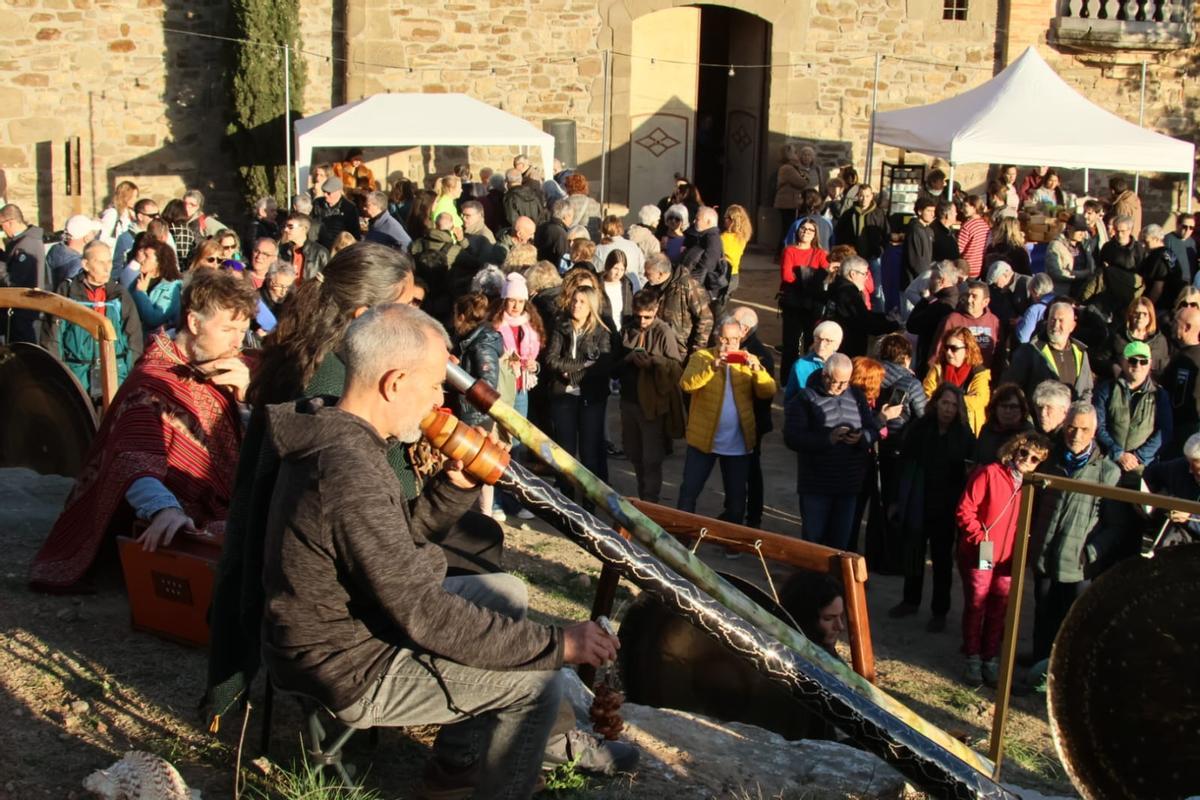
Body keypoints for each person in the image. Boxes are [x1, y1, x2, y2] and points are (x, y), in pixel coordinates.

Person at [258, 302, 630, 799]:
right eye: (434, 384)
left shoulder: (340, 431)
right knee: (535, 687)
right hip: (344, 661)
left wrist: (453, 488)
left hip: (356, 622)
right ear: (394, 382)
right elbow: (423, 612)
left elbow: (390, 544)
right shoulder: (347, 467)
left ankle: (457, 765)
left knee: (504, 591)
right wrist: (560, 645)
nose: (440, 400)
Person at [30, 270, 257, 591]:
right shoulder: (151, 384)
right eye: (228, 329)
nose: (238, 342)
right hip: (178, 515)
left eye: (243, 330)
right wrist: (163, 509)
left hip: (218, 503)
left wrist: (250, 397)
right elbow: (132, 457)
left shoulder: (218, 365)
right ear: (193, 323)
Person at [956, 431, 1052, 686]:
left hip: (1009, 556)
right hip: (985, 551)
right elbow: (966, 509)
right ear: (1014, 449)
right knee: (977, 604)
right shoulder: (989, 473)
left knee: (999, 608)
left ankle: (990, 659)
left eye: (1033, 459)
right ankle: (973, 658)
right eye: (1024, 452)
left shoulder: (1033, 489)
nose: (1026, 459)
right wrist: (980, 539)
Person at [1029, 403, 1123, 664]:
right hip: (1044, 556)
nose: (1076, 434)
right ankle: (1038, 665)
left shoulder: (1108, 473)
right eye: (1071, 427)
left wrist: (1089, 553)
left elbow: (1114, 525)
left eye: (1084, 429)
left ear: (1094, 431)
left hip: (1078, 564)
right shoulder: (1050, 461)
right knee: (1043, 615)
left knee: (1072, 623)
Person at [889, 383, 975, 630]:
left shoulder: (965, 436)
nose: (948, 409)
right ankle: (910, 600)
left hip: (946, 507)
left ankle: (940, 611)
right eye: (945, 403)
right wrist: (896, 500)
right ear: (936, 403)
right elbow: (902, 465)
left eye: (953, 405)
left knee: (941, 561)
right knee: (914, 553)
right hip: (918, 500)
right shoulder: (918, 429)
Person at [677, 317, 776, 525]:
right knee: (688, 492)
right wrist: (712, 367)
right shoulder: (701, 357)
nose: (728, 344)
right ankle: (679, 540)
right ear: (716, 337)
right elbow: (686, 384)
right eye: (723, 338)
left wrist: (757, 370)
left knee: (737, 499)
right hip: (703, 440)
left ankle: (732, 546)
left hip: (738, 442)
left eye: (733, 339)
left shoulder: (750, 360)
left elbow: (768, 392)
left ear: (740, 339)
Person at [785, 353, 877, 550]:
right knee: (813, 544)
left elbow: (872, 428)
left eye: (844, 383)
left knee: (840, 545)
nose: (840, 387)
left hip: (848, 484)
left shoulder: (856, 396)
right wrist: (828, 439)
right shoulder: (805, 398)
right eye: (835, 381)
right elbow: (792, 437)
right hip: (817, 484)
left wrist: (862, 438)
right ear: (825, 375)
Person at [42, 240, 144, 397]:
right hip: (77, 377)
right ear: (85, 264)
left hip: (115, 375)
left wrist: (130, 377)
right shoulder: (67, 292)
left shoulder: (119, 295)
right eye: (100, 262)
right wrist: (59, 378)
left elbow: (133, 339)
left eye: (109, 261)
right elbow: (52, 338)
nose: (106, 267)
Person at [618, 290, 684, 503]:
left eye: (647, 316)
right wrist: (628, 359)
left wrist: (654, 362)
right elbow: (613, 366)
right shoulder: (627, 330)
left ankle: (650, 502)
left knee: (651, 459)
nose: (642, 321)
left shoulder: (664, 332)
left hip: (653, 404)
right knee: (635, 455)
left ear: (656, 311)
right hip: (629, 401)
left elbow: (675, 368)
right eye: (638, 316)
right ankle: (642, 497)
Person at [544, 284, 614, 484]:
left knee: (589, 452)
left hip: (591, 398)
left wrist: (572, 372)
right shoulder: (561, 325)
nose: (576, 305)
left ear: (591, 305)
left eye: (582, 301)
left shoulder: (601, 331)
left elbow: (601, 366)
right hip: (563, 395)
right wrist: (583, 365)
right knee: (564, 452)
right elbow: (551, 359)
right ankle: (565, 498)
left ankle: (589, 502)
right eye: (574, 300)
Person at [1093, 340, 1171, 491]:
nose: (1138, 365)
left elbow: (1165, 431)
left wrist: (1138, 457)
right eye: (1133, 360)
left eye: (1143, 361)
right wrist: (1118, 453)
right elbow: (1097, 426)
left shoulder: (1160, 395)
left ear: (1150, 364)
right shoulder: (1106, 389)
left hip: (1144, 470)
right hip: (1108, 465)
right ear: (1123, 361)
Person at [1003, 302, 1094, 403]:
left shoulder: (1080, 352)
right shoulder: (1030, 351)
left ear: (1072, 326)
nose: (1055, 325)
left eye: (1061, 321)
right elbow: (1012, 387)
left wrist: (1080, 413)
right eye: (1052, 319)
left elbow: (1086, 389)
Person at [822, 255, 900, 357]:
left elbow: (863, 314)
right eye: (864, 274)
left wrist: (884, 317)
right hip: (846, 350)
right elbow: (866, 323)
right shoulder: (849, 294)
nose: (866, 277)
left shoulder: (837, 287)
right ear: (853, 274)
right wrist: (894, 325)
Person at [643, 252, 712, 360]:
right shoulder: (650, 287)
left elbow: (705, 318)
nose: (644, 276)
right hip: (654, 348)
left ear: (660, 274)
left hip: (679, 352)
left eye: (648, 273)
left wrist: (697, 352)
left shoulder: (687, 286)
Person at [922, 326, 991, 435]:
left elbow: (979, 400)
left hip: (969, 430)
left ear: (967, 350)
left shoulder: (979, 373)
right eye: (946, 347)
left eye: (954, 348)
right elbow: (927, 394)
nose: (948, 352)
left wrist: (945, 400)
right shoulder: (938, 369)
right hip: (940, 427)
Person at [1142, 432, 1200, 547]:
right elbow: (1150, 474)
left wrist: (1190, 518)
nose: (1191, 472)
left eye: (1198, 471)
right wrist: (1157, 499)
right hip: (1175, 537)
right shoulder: (1180, 467)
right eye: (1190, 466)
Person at [933, 279, 1004, 370]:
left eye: (974, 296)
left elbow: (999, 354)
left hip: (983, 377)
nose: (969, 300)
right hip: (956, 377)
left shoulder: (994, 322)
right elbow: (937, 352)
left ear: (985, 302)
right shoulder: (952, 320)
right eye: (967, 295)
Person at [0, 204, 46, 343]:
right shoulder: (21, 242)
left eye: (1, 225)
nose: (2, 230)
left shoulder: (27, 245)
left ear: (11, 222)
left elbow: (14, 284)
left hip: (25, 315)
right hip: (21, 314)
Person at [1097, 297, 1170, 381]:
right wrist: (1113, 367)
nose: (1140, 317)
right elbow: (1101, 360)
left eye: (1145, 314)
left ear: (1151, 317)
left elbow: (1164, 369)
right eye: (1136, 313)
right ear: (1130, 315)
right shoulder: (1118, 336)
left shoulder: (1160, 341)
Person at [1160, 305, 1200, 456]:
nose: (1172, 324)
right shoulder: (1179, 354)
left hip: (1189, 432)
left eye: (1176, 321)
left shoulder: (1192, 360)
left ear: (1187, 327)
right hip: (1173, 427)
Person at [129, 239, 183, 336]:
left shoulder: (170, 288)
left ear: (159, 262)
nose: (141, 260)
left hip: (154, 342)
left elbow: (155, 319)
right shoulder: (140, 279)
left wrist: (141, 293)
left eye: (147, 256)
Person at [1096, 215, 1145, 317]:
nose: (1119, 234)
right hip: (1111, 292)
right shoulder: (1108, 247)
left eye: (1122, 231)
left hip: (1129, 291)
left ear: (1129, 230)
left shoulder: (1138, 249)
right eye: (1116, 231)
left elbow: (1142, 271)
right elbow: (1100, 268)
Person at [974, 384, 1034, 465]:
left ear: (1022, 409)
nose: (1007, 411)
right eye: (1003, 406)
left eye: (1013, 406)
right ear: (995, 408)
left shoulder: (1028, 434)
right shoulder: (987, 429)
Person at [680, 206, 726, 303]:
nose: (694, 222)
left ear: (708, 222)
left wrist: (693, 283)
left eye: (698, 219)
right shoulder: (705, 236)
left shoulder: (712, 238)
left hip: (703, 288)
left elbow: (708, 264)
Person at [1045, 214, 1094, 298]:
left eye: (1084, 231)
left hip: (1082, 291)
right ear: (1069, 228)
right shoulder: (1056, 246)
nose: (1082, 234)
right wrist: (1083, 274)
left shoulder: (1085, 246)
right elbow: (1055, 273)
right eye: (1079, 231)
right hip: (1063, 293)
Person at [774, 143, 813, 250]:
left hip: (789, 202)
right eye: (795, 152)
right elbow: (802, 182)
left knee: (787, 228)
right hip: (787, 202)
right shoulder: (788, 168)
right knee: (787, 228)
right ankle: (781, 252)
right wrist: (806, 175)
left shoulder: (792, 167)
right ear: (789, 154)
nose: (797, 155)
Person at [594, 215, 646, 286]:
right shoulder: (633, 246)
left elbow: (596, 273)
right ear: (621, 228)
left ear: (603, 229)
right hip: (632, 288)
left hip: (610, 288)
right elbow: (643, 271)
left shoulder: (598, 249)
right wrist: (638, 287)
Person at [313, 177, 362, 250]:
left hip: (339, 248)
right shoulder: (317, 203)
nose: (325, 195)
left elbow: (355, 233)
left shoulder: (349, 208)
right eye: (324, 192)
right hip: (319, 246)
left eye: (329, 193)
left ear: (338, 191)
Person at [1138, 223, 1180, 308]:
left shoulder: (1157, 257)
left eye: (1146, 241)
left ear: (1156, 239)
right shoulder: (1169, 254)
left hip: (1160, 305)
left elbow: (1158, 287)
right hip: (1172, 302)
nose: (1143, 245)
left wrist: (1148, 307)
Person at [278, 213, 329, 281]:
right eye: (285, 226)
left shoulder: (320, 252)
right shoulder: (282, 250)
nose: (285, 230)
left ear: (303, 229)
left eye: (290, 227)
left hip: (309, 291)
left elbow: (330, 279)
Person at [1012, 272, 1056, 345]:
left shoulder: (1035, 310)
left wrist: (1019, 323)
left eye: (1030, 292)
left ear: (1036, 292)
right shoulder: (1060, 303)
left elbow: (1023, 338)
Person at [720, 204, 753, 296]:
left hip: (723, 275)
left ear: (732, 220)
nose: (724, 219)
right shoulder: (743, 237)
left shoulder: (723, 238)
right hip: (734, 275)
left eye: (726, 217)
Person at [901, 197, 935, 283]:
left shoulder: (928, 230)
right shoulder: (915, 230)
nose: (932, 214)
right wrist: (924, 278)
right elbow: (915, 260)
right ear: (920, 211)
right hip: (914, 280)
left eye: (933, 211)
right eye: (928, 211)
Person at [956, 195, 990, 279]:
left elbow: (958, 249)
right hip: (980, 267)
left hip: (966, 268)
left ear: (974, 207)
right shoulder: (985, 225)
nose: (962, 209)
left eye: (965, 206)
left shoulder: (967, 226)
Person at [99, 180, 139, 247]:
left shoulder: (131, 213)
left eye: (136, 196)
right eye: (133, 196)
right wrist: (121, 243)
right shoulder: (112, 213)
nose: (135, 199)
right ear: (124, 196)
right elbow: (102, 238)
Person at [535, 199, 575, 266]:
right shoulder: (561, 233)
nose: (572, 220)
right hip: (552, 270)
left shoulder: (542, 226)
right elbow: (563, 257)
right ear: (565, 216)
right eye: (571, 216)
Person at [564, 173, 601, 241]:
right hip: (591, 241)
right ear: (585, 186)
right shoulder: (595, 203)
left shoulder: (565, 203)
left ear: (568, 187)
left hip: (573, 242)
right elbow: (599, 225)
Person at [1165, 213, 1197, 285]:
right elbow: (1169, 263)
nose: (1188, 230)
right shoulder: (1168, 240)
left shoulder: (1192, 242)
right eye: (1184, 226)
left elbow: (1194, 264)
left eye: (1191, 228)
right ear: (1177, 225)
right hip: (1174, 283)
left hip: (1190, 283)